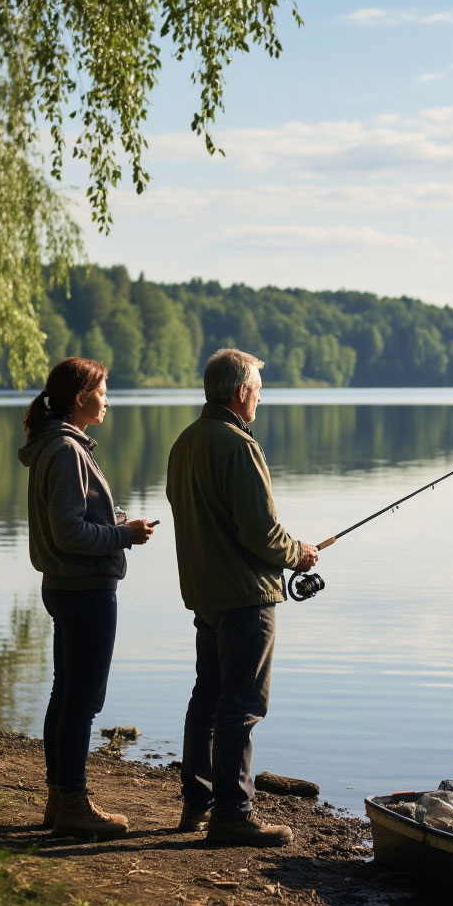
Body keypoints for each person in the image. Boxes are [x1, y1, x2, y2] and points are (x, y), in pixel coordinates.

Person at [166, 348, 318, 846]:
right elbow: (260, 532)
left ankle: (196, 803)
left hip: (205, 594)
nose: (259, 399)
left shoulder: (185, 442)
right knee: (243, 704)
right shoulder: (238, 445)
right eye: (257, 390)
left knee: (207, 698)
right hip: (246, 597)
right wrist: (298, 553)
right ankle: (233, 813)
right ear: (239, 392)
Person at [19, 356, 157, 839]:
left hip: (67, 586)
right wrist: (123, 534)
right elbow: (70, 531)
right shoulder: (65, 450)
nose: (108, 399)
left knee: (67, 693)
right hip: (84, 588)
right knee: (83, 700)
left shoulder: (60, 445)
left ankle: (59, 801)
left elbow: (72, 522)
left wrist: (113, 522)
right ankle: (73, 803)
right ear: (81, 398)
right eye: (103, 391)